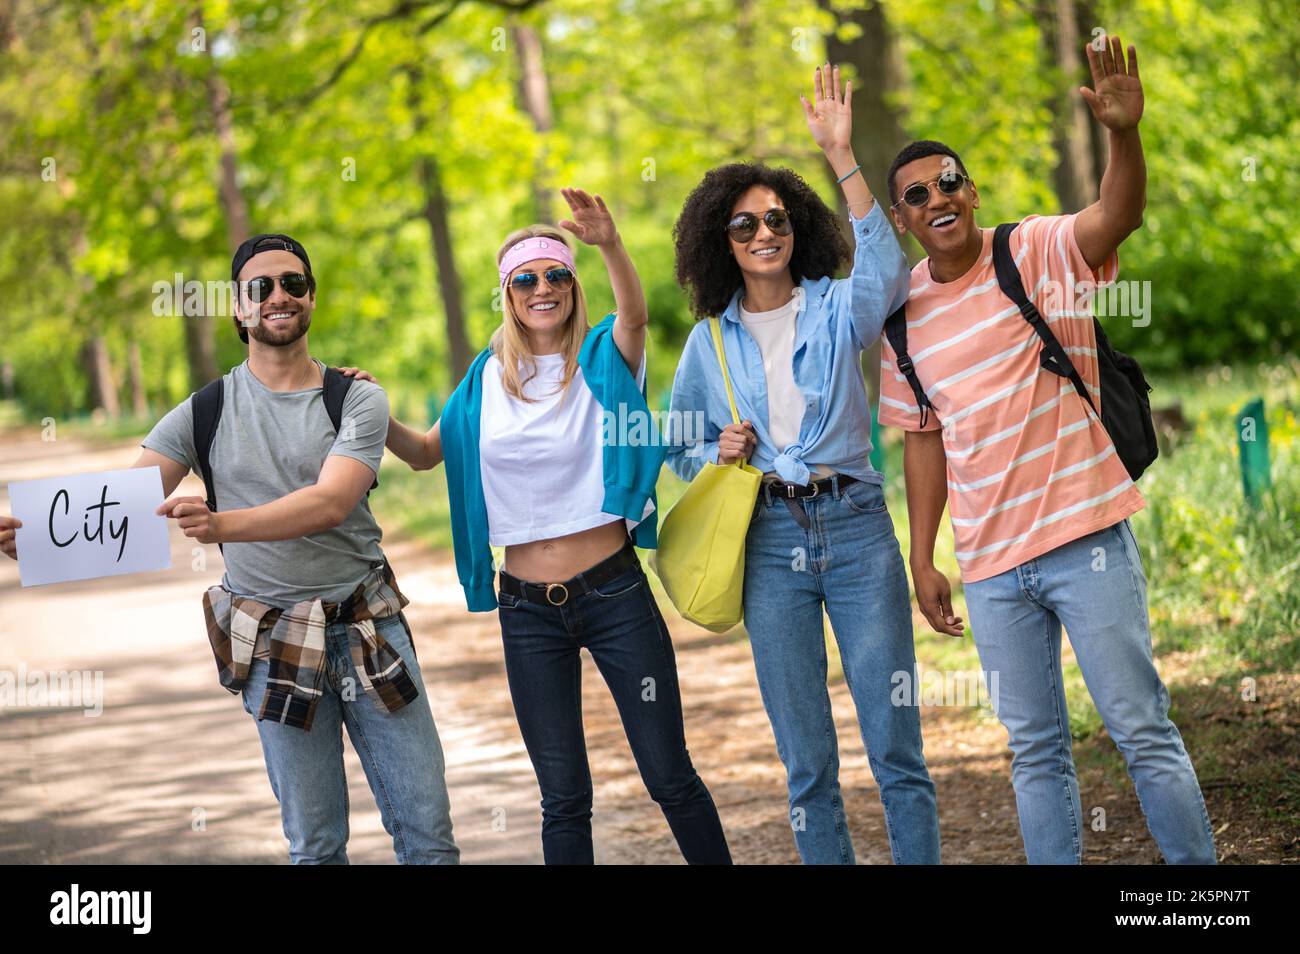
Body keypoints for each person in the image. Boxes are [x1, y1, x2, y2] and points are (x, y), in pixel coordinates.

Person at [3, 233, 460, 865]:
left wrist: (223, 525)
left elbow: (330, 503)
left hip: (368, 631)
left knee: (428, 837)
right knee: (317, 846)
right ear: (239, 309)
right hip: (275, 643)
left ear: (311, 299)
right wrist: (39, 541)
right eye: (260, 287)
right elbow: (129, 498)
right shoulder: (203, 412)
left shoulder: (357, 398)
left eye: (293, 283)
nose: (279, 296)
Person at [877, 35, 1216, 864]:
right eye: (918, 194)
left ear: (972, 189)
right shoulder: (900, 316)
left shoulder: (1032, 251)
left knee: (1140, 728)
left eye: (949, 181)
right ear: (901, 218)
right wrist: (924, 556)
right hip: (992, 568)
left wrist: (1123, 134)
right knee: (1033, 752)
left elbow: (1118, 214)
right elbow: (924, 441)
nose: (938, 198)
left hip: (1085, 540)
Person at [342, 188, 731, 865]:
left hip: (614, 594)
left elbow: (635, 312)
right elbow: (427, 453)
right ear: (508, 292)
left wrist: (609, 244)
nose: (542, 288)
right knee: (563, 796)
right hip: (527, 611)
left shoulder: (607, 355)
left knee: (669, 775)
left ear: (573, 285)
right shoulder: (485, 377)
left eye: (556, 274)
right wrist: (373, 410)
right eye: (526, 279)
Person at [665, 65, 940, 865]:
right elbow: (677, 445)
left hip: (856, 529)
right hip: (768, 544)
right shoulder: (708, 340)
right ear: (722, 240)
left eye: (776, 219)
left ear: (798, 225)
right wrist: (711, 449)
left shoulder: (834, 303)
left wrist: (843, 157)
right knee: (807, 765)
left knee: (897, 747)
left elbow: (889, 274)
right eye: (744, 226)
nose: (763, 235)